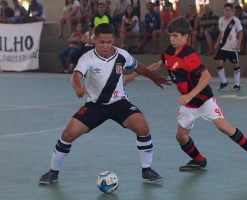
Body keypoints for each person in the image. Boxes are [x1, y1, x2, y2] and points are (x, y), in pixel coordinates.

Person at [125, 16, 247, 171]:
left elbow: (206, 76)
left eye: (176, 36)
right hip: (188, 104)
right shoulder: (169, 51)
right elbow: (158, 64)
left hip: (203, 99)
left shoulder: (188, 55)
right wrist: (135, 75)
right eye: (170, 36)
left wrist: (189, 95)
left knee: (224, 127)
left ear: (185, 36)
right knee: (181, 136)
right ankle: (199, 160)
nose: (172, 39)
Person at [39, 23, 170, 185]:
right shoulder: (88, 58)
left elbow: (139, 67)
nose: (105, 46)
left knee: (143, 128)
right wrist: (78, 86)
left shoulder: (122, 55)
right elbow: (76, 75)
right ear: (94, 40)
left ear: (114, 40)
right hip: (95, 106)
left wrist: (154, 77)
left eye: (109, 42)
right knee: (67, 135)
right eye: (101, 42)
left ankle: (147, 170)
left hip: (119, 103)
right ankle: (53, 172)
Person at [215, 3, 243, 91]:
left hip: (233, 47)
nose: (227, 12)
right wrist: (217, 42)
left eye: (229, 10)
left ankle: (237, 85)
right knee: (219, 63)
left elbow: (240, 32)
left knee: (236, 65)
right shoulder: (221, 20)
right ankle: (224, 82)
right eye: (225, 10)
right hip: (223, 46)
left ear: (232, 11)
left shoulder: (235, 20)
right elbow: (221, 32)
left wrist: (239, 43)